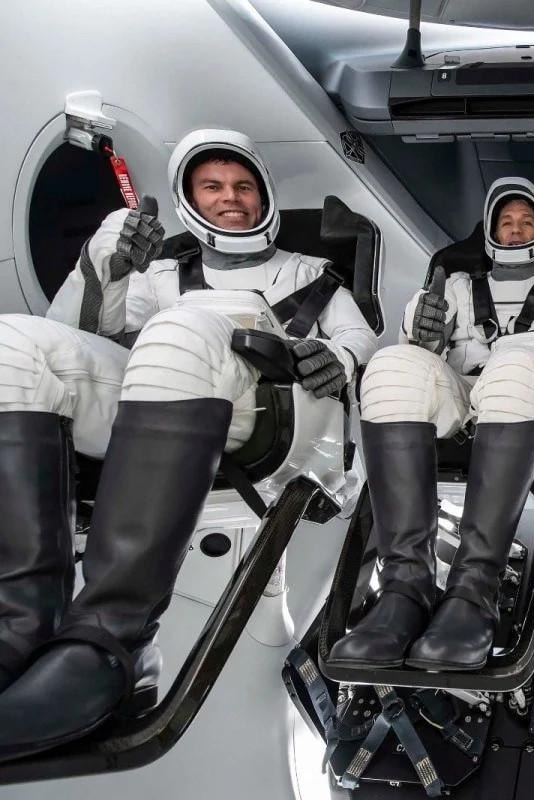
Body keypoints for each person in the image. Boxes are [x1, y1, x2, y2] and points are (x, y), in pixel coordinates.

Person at [0, 129, 377, 758]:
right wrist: (104, 266)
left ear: (264, 196)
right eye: (213, 186)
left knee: (178, 328)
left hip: (276, 410)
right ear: (188, 198)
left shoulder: (311, 273)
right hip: (165, 394)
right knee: (14, 346)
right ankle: (19, 629)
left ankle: (112, 644)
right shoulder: (157, 275)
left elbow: (359, 341)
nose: (231, 197)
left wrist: (338, 356)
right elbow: (74, 336)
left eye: (243, 186)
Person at [326, 178, 534, 672]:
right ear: (490, 231)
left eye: (526, 222)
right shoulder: (456, 284)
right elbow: (420, 348)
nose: (515, 229)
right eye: (506, 221)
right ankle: (404, 591)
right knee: (391, 365)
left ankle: (474, 593)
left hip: (527, 393)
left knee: (516, 363)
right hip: (460, 392)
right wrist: (421, 324)